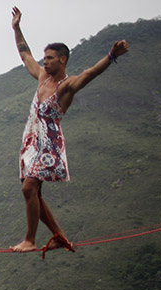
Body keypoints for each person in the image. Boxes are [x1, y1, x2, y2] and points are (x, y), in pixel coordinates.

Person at [9, 6, 129, 255]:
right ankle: (60, 237)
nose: (45, 61)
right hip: (31, 140)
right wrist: (16, 28)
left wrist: (111, 55)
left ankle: (30, 240)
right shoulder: (42, 77)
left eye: (50, 57)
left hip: (49, 143)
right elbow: (24, 54)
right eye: (45, 57)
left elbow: (91, 73)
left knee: (29, 189)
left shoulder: (67, 86)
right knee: (35, 194)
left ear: (62, 60)